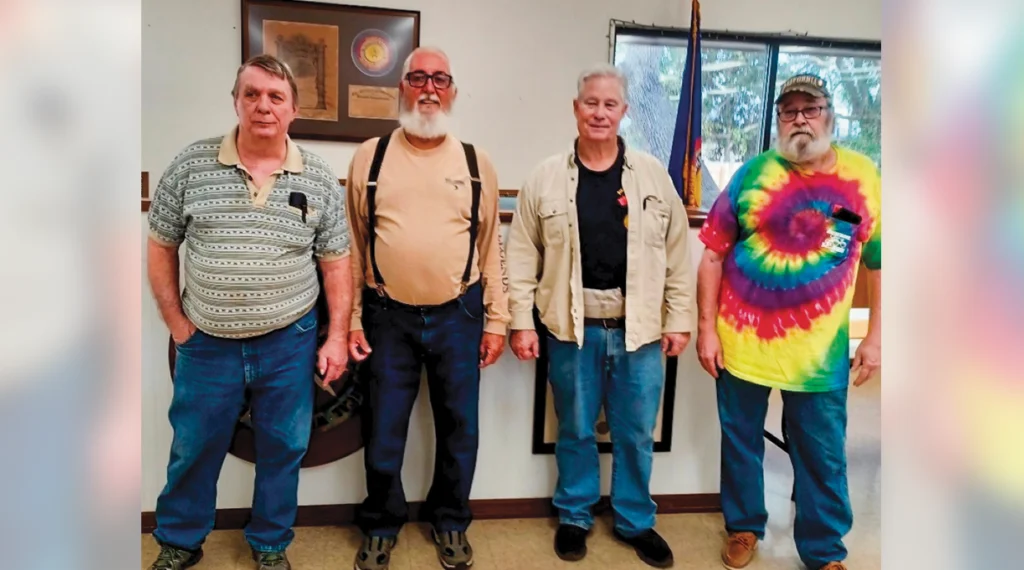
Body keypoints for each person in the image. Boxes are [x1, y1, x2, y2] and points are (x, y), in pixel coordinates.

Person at [146, 54, 352, 570]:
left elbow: (337, 267)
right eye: (252, 94)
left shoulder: (321, 177)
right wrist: (176, 322)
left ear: (293, 109)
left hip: (290, 340)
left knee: (283, 448)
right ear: (236, 101)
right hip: (207, 343)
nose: (263, 105)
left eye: (275, 96)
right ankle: (179, 541)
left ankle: (269, 545)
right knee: (194, 447)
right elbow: (160, 247)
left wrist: (336, 337)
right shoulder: (192, 166)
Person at [505, 64, 695, 569]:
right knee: (575, 428)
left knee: (635, 431)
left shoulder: (654, 177)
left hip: (641, 331)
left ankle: (635, 519)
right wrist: (521, 321)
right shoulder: (545, 177)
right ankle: (575, 515)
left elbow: (677, 254)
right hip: (571, 327)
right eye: (591, 102)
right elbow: (522, 255)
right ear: (575, 108)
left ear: (624, 112)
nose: (600, 112)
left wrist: (680, 319)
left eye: (610, 104)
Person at [696, 73, 881, 570]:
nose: (800, 118)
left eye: (811, 108)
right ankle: (743, 527)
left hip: (819, 356)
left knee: (822, 455)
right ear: (778, 119)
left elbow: (880, 263)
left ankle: (824, 551)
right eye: (789, 110)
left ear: (830, 115)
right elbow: (712, 256)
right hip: (742, 344)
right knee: (740, 444)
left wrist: (878, 337)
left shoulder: (864, 178)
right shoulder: (752, 174)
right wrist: (707, 329)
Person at [344, 46, 510, 570]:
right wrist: (350, 318)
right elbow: (351, 244)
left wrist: (498, 320)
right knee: (384, 425)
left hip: (459, 314)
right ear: (403, 89)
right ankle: (381, 523)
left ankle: (451, 521)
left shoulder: (474, 162)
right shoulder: (370, 155)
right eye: (418, 78)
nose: (429, 88)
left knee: (460, 426)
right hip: (385, 315)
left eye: (439, 79)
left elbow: (490, 251)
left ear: (453, 91)